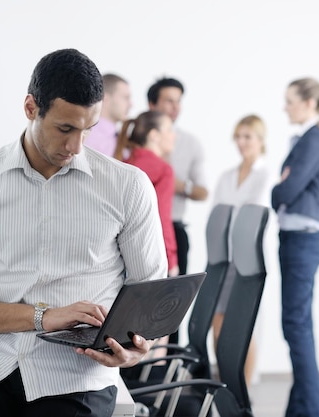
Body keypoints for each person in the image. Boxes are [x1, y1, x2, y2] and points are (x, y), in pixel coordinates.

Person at [0, 49, 167, 417]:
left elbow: (151, 298)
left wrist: (135, 348)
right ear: (31, 108)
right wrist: (43, 317)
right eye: (65, 129)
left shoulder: (128, 186)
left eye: (88, 130)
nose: (76, 146)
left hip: (76, 379)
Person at [271, 77, 319, 417]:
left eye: (290, 100)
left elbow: (284, 192)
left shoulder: (314, 141)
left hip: (301, 242)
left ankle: (312, 412)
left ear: (310, 103)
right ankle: (300, 410)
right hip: (296, 240)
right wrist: (282, 185)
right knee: (297, 327)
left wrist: (279, 187)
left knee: (296, 328)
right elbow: (286, 188)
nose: (285, 107)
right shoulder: (311, 139)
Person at [210, 114, 274, 388]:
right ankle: (226, 381)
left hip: (247, 256)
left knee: (243, 322)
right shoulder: (227, 176)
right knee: (217, 317)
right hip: (223, 255)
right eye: (238, 136)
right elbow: (218, 214)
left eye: (247, 136)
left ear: (260, 140)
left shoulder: (266, 174)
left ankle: (243, 389)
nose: (241, 142)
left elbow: (254, 214)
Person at [147, 77, 208, 346]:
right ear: (152, 104)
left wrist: (171, 181)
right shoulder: (136, 138)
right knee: (143, 306)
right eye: (168, 100)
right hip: (144, 232)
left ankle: (167, 374)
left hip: (174, 230)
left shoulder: (190, 143)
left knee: (172, 307)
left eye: (178, 101)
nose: (175, 107)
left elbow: (203, 191)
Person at [114, 110, 179, 277]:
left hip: (117, 257)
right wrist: (171, 260)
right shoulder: (163, 169)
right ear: (154, 135)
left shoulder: (123, 165)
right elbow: (162, 218)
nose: (174, 135)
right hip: (150, 257)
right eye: (169, 130)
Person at [84, 73, 132, 157]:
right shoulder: (88, 137)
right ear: (106, 98)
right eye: (125, 97)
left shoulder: (122, 138)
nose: (131, 104)